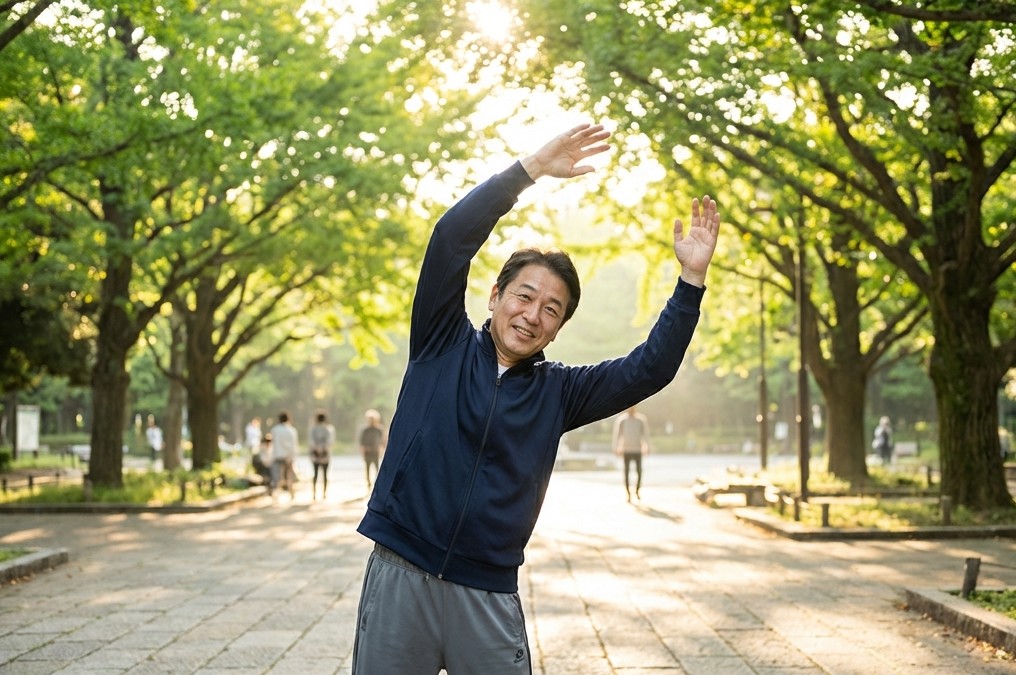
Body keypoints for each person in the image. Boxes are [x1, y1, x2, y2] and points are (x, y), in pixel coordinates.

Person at [351, 123, 720, 674]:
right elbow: (451, 238)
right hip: (401, 570)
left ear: (557, 329)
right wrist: (529, 171)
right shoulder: (440, 342)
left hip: (487, 589)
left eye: (551, 309)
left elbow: (650, 369)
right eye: (524, 296)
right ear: (496, 296)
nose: (532, 314)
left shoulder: (561, 392)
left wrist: (690, 281)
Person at [613, 405, 651, 502]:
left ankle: (637, 491)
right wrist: (616, 447)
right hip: (626, 450)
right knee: (626, 473)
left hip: (637, 449)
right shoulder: (622, 420)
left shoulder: (641, 420)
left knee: (639, 472)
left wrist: (647, 447)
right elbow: (617, 435)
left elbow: (645, 434)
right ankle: (628, 494)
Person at [269, 411, 298, 498]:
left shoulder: (275, 430)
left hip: (278, 456)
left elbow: (273, 443)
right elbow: (294, 445)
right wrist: (293, 456)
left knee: (277, 476)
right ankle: (291, 493)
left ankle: (275, 494)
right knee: (289, 476)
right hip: (289, 456)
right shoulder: (292, 430)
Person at [309, 411, 335, 500]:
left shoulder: (313, 429)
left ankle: (314, 493)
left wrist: (317, 448)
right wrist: (323, 448)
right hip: (325, 454)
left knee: (315, 474)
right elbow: (330, 441)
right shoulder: (329, 428)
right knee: (325, 474)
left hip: (315, 454)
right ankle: (324, 493)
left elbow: (311, 441)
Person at [358, 409, 385, 491]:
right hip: (367, 452)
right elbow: (362, 442)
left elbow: (382, 441)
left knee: (377, 469)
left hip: (376, 452)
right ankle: (368, 484)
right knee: (367, 469)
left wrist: (381, 450)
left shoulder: (379, 429)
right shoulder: (365, 430)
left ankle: (377, 485)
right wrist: (363, 451)